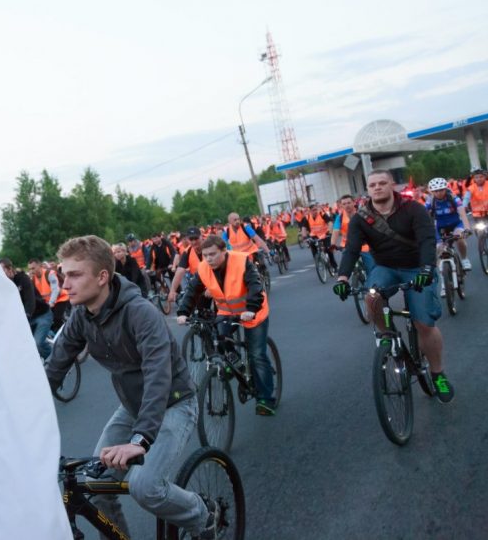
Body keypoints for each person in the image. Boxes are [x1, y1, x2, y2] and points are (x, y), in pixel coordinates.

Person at [44, 236, 217, 539]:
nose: (65, 283)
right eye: (63, 274)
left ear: (101, 277)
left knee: (145, 487)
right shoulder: (81, 317)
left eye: (74, 274)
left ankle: (204, 515)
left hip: (174, 403)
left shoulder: (140, 313)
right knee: (93, 484)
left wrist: (141, 439)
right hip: (133, 406)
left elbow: (157, 377)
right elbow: (53, 370)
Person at [332, 170, 454, 402]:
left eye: (382, 183)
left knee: (424, 323)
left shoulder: (413, 209)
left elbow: (428, 240)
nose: (377, 187)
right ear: (367, 190)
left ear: (392, 186)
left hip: (417, 268)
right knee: (372, 295)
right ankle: (386, 335)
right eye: (372, 185)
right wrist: (343, 278)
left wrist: (427, 269)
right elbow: (352, 249)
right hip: (386, 268)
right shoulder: (361, 218)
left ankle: (438, 374)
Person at [176, 235, 277, 416]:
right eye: (205, 255)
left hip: (253, 313)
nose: (209, 259)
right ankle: (236, 364)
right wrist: (184, 312)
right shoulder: (204, 268)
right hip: (226, 312)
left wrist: (252, 309)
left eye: (213, 254)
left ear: (224, 251)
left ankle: (266, 399)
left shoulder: (241, 261)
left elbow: (255, 286)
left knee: (257, 355)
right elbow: (193, 290)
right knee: (220, 340)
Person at [0, 258, 53, 359]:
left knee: (37, 344)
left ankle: (56, 365)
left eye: (2, 270)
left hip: (41, 314)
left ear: (10, 268)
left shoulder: (23, 278)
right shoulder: (5, 285)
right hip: (27, 319)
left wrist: (27, 316)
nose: (0, 274)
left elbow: (30, 301)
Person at [425, 177, 472, 280]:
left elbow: (463, 214)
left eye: (441, 190)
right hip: (440, 227)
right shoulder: (430, 201)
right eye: (435, 191)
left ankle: (464, 259)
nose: (439, 193)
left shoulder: (454, 198)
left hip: (456, 224)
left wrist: (467, 228)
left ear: (445, 189)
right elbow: (423, 216)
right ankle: (443, 280)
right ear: (432, 191)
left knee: (460, 238)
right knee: (439, 248)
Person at [331, 194, 375, 275]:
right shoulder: (340, 217)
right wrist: (333, 244)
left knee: (372, 268)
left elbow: (372, 228)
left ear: (354, 203)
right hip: (348, 246)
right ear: (341, 205)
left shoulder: (363, 214)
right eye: (344, 204)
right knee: (343, 271)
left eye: (349, 203)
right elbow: (335, 231)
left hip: (364, 245)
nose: (347, 205)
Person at [462, 167, 488, 253]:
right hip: (478, 213)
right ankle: (482, 242)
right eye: (476, 177)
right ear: (474, 179)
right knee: (479, 228)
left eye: (481, 177)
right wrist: (464, 206)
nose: (479, 179)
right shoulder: (471, 188)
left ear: (484, 177)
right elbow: (466, 198)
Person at [28, 257, 71, 331]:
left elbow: (55, 289)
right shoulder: (33, 279)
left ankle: (68, 332)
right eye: (30, 269)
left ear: (40, 266)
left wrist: (51, 303)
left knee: (57, 319)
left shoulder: (49, 274)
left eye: (33, 268)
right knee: (50, 322)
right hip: (49, 303)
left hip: (61, 299)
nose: (31, 271)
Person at [300, 203, 338, 272]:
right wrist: (304, 236)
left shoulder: (322, 214)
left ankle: (334, 266)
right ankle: (317, 259)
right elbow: (303, 228)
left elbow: (330, 222)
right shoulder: (307, 217)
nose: (315, 211)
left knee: (328, 249)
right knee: (312, 245)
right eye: (313, 210)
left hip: (325, 234)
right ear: (310, 211)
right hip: (314, 235)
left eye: (316, 209)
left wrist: (329, 231)